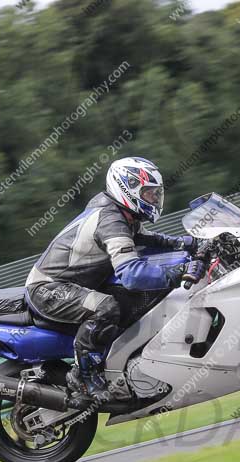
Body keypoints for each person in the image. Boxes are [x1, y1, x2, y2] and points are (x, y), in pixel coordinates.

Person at [25, 157, 205, 400]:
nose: (154, 199)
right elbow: (132, 275)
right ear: (127, 188)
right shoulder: (110, 220)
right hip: (49, 289)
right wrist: (177, 273)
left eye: (155, 194)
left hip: (74, 283)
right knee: (106, 307)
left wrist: (192, 243)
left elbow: (149, 240)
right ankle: (83, 376)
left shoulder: (121, 215)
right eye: (149, 193)